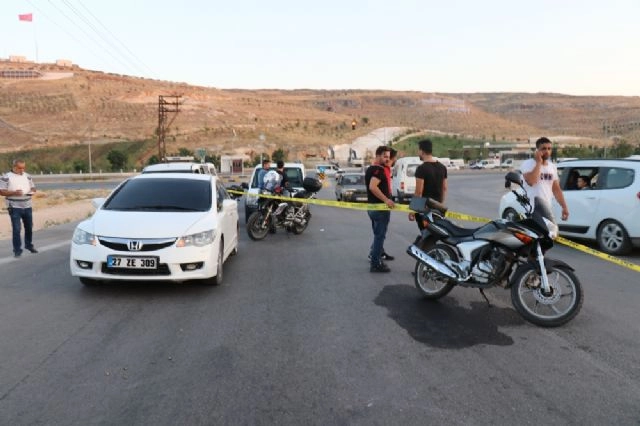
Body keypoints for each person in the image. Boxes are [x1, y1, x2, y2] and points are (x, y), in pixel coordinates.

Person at [520, 137, 569, 222]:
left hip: (546, 209)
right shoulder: (527, 164)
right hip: (531, 209)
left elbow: (556, 189)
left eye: (549, 149)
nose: (547, 151)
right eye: (544, 149)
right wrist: (539, 162)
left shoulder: (552, 167)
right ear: (537, 150)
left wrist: (564, 207)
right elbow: (531, 181)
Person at [365, 146, 395, 273]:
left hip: (372, 207)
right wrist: (386, 200)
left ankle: (377, 254)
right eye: (385, 156)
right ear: (378, 156)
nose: (387, 159)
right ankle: (376, 263)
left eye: (388, 157)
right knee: (379, 236)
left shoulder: (370, 169)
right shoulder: (379, 170)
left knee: (378, 235)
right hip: (380, 209)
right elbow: (373, 187)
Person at [0, 159, 38, 257]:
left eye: (23, 168)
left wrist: (32, 191)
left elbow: (33, 187)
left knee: (29, 227)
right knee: (17, 229)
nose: (22, 170)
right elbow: (1, 191)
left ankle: (29, 245)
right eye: (20, 168)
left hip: (28, 205)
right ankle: (17, 250)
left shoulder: (27, 176)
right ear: (14, 167)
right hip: (14, 207)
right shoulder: (6, 177)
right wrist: (14, 192)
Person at [409, 139, 448, 224]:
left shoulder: (421, 168)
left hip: (425, 209)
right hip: (437, 208)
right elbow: (444, 188)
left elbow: (419, 192)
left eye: (418, 150)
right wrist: (440, 205)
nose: (418, 153)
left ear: (422, 151)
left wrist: (413, 210)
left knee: (426, 231)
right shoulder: (442, 167)